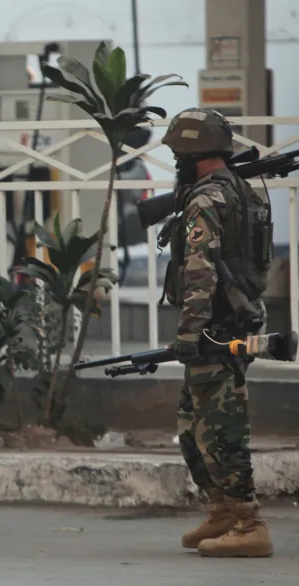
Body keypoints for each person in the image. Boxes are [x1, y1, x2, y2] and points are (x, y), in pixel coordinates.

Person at [160, 107, 274, 558]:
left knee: (221, 428)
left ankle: (249, 522)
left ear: (191, 153)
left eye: (177, 154)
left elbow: (200, 271)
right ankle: (222, 510)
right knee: (192, 427)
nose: (175, 162)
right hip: (231, 321)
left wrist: (190, 332)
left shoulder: (209, 199)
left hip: (216, 327)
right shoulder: (239, 192)